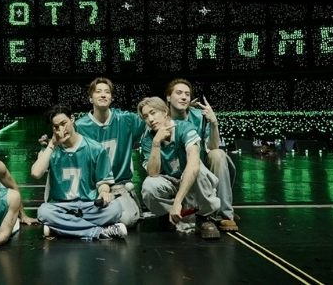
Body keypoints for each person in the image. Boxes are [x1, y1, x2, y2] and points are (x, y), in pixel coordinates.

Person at [31, 103, 127, 240]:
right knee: (44, 212)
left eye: (64, 123)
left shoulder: (95, 148)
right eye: (56, 127)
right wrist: (52, 144)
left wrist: (104, 192)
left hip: (89, 205)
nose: (61, 130)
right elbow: (36, 173)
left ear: (72, 119)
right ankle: (98, 231)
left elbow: (103, 182)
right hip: (61, 206)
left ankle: (61, 228)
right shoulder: (50, 150)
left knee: (115, 209)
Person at [137, 96, 221, 239]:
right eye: (145, 116)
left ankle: (203, 217)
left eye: (153, 113)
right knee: (149, 185)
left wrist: (177, 202)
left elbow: (193, 166)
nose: (150, 119)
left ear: (165, 112)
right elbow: (153, 173)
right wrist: (156, 143)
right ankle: (167, 215)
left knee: (198, 169)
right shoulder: (148, 139)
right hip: (171, 183)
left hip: (191, 183)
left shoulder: (184, 128)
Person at [165, 78, 238, 232]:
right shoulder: (161, 118)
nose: (184, 97)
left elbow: (213, 146)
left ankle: (225, 215)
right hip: (174, 172)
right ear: (168, 97)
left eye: (187, 94)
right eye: (179, 93)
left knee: (218, 154)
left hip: (200, 170)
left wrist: (214, 122)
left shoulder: (200, 116)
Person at [74, 77, 147, 228]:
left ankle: (122, 205)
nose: (103, 95)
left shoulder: (126, 119)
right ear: (90, 98)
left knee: (128, 220)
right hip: (90, 187)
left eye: (107, 92)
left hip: (118, 185)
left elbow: (153, 120)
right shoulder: (79, 127)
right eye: (98, 92)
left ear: (112, 98)